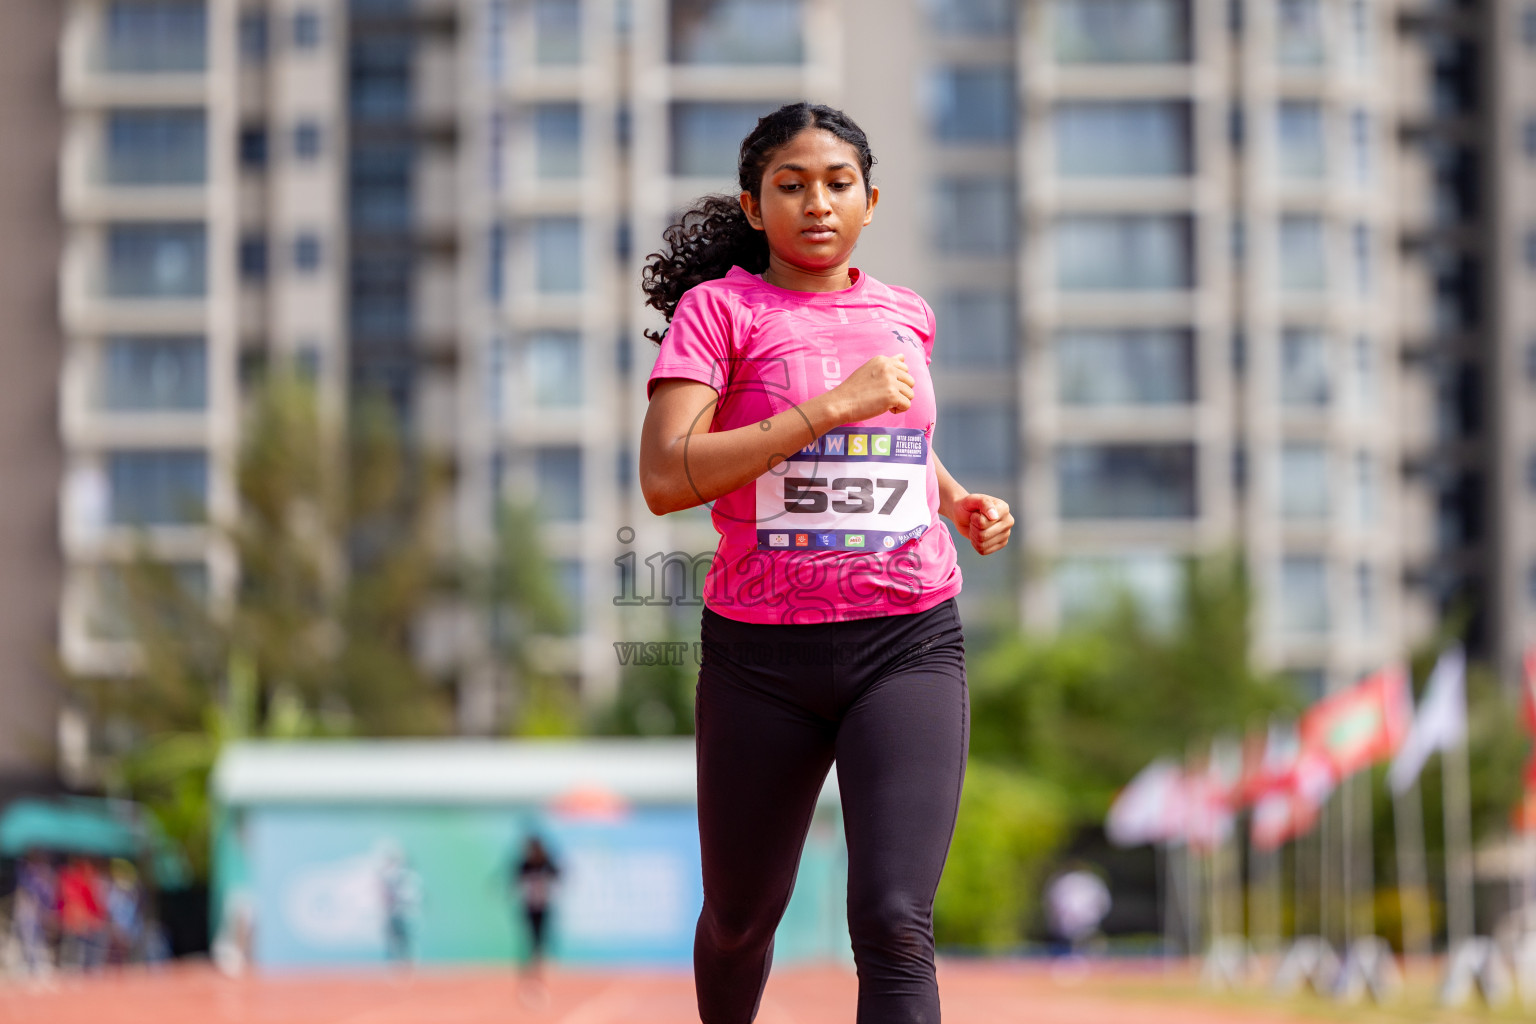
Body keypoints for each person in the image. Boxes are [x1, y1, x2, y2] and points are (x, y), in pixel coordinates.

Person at [639, 102, 1014, 1024]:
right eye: (791, 186)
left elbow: (900, 442)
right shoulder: (718, 312)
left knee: (893, 921)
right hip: (760, 658)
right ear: (754, 205)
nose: (817, 203)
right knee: (739, 920)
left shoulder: (903, 314)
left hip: (908, 642)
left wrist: (956, 497)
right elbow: (665, 477)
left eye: (838, 184)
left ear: (871, 200)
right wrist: (828, 407)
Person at [512, 835, 560, 977]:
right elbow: (517, 880)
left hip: (544, 903)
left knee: (542, 932)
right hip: (529, 903)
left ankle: (540, 959)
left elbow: (558, 875)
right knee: (530, 932)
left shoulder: (547, 863)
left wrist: (546, 882)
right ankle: (531, 959)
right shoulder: (525, 864)